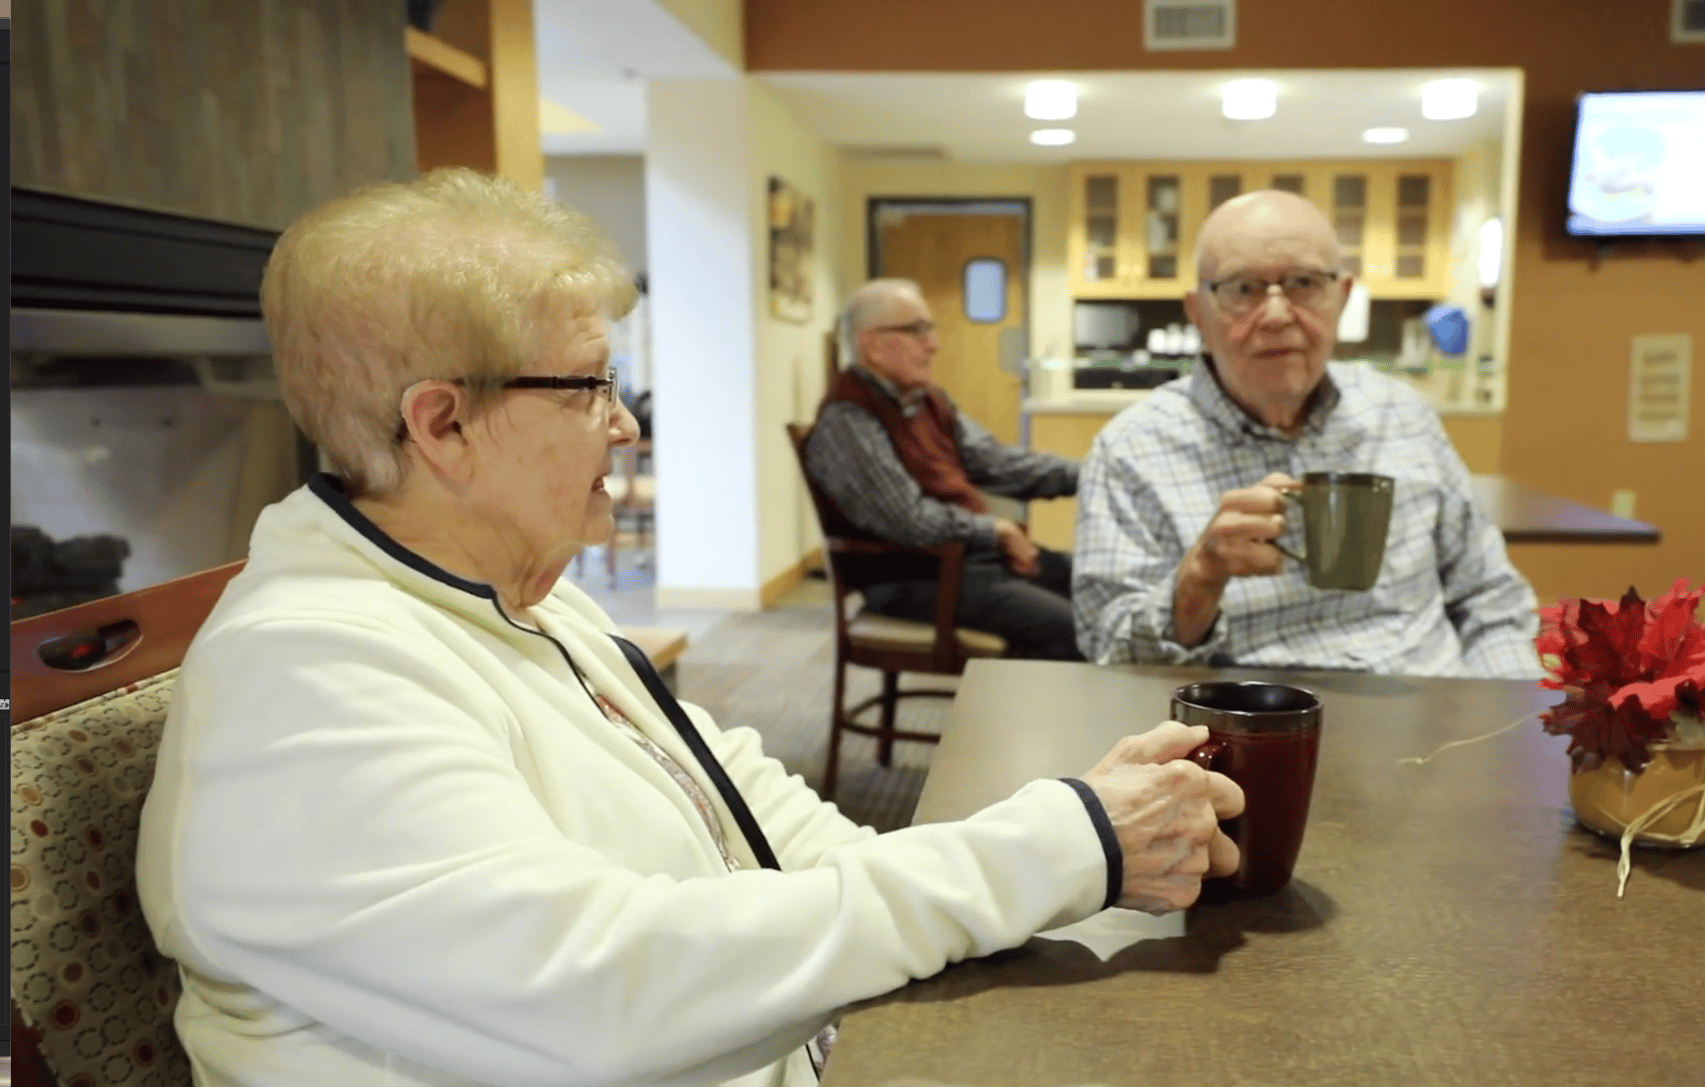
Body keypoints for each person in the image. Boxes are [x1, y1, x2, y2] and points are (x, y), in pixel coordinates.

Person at [134, 169, 1244, 1087]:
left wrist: (1054, 848)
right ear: (444, 424)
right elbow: (599, 997)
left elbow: (755, 817)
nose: (622, 425)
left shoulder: (531, 603)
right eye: (587, 387)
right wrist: (1060, 845)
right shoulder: (307, 674)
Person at [1073, 190, 1540, 678]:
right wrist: (1199, 580)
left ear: (1342, 297)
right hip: (1252, 714)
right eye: (1243, 288)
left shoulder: (1402, 416)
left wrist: (1513, 712)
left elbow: (1489, 597)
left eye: (1304, 283)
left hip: (1432, 704)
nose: (1277, 316)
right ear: (1198, 314)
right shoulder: (1131, 449)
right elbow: (1109, 653)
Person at [805, 279, 1083, 660]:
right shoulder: (849, 419)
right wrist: (995, 530)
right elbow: (908, 519)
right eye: (917, 330)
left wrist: (1092, 473)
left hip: (966, 561)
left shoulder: (925, 401)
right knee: (1074, 630)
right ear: (873, 346)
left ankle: (1008, 687)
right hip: (911, 578)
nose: (933, 343)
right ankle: (1004, 697)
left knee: (1097, 585)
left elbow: (998, 463)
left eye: (930, 329)